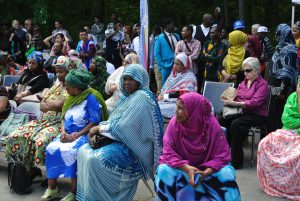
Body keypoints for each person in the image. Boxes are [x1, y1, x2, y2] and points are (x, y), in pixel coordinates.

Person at [76, 64, 164, 201]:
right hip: (121, 140)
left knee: (95, 160)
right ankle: (89, 197)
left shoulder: (142, 97)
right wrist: (98, 133)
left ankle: (106, 198)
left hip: (134, 149)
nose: (127, 83)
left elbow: (123, 127)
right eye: (125, 79)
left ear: (140, 80)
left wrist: (99, 129)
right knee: (83, 151)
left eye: (131, 79)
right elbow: (114, 121)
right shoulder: (128, 97)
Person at [155, 92, 241, 200]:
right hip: (183, 169)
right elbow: (168, 152)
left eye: (180, 108)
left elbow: (222, 156)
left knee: (226, 174)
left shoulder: (212, 125)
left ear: (194, 112)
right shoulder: (174, 124)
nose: (175, 111)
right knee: (163, 170)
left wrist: (205, 172)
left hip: (209, 170)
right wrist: (186, 168)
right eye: (176, 107)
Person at [5, 56, 77, 179]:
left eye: (61, 71)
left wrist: (49, 104)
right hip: (43, 121)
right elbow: (42, 105)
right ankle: (29, 169)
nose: (58, 75)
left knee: (40, 141)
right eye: (57, 72)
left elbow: (60, 105)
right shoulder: (56, 86)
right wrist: (50, 105)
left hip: (60, 124)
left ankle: (51, 177)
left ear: (69, 71)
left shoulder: (73, 88)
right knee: (15, 135)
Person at [41, 69, 108, 201]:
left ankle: (74, 191)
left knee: (73, 152)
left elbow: (95, 121)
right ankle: (52, 188)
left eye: (68, 85)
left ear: (76, 87)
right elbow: (63, 118)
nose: (65, 87)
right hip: (67, 134)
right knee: (51, 148)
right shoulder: (70, 98)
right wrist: (63, 132)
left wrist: (78, 134)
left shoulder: (91, 98)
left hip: (85, 134)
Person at [219, 57, 268, 169]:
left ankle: (236, 161)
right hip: (243, 112)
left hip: (258, 115)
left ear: (257, 70)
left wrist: (237, 103)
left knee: (236, 124)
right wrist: (234, 101)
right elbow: (239, 96)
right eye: (244, 70)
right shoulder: (243, 82)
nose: (245, 73)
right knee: (222, 120)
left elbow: (255, 102)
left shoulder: (262, 84)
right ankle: (223, 154)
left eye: (248, 70)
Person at [257, 86, 300, 200]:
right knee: (265, 143)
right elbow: (286, 119)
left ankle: (294, 188)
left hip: (297, 132)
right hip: (288, 131)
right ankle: (275, 184)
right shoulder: (293, 97)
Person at [268, 24, 298, 133]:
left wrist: (283, 91)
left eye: (278, 33)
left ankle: (281, 146)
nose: (276, 35)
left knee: (280, 118)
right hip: (274, 88)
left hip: (284, 91)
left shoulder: (290, 50)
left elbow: (289, 72)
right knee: (272, 117)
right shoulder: (279, 48)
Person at [158, 53, 197, 118]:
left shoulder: (190, 77)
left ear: (184, 65)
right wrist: (161, 95)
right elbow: (165, 88)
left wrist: (165, 96)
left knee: (159, 108)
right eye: (174, 63)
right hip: (167, 100)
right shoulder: (173, 74)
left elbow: (183, 95)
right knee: (154, 105)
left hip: (180, 104)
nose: (174, 66)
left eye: (177, 64)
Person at [154, 18, 180, 85]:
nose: (174, 27)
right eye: (172, 25)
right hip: (166, 66)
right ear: (166, 26)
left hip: (177, 65)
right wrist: (162, 66)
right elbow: (156, 54)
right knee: (166, 86)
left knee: (176, 85)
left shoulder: (177, 36)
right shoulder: (159, 38)